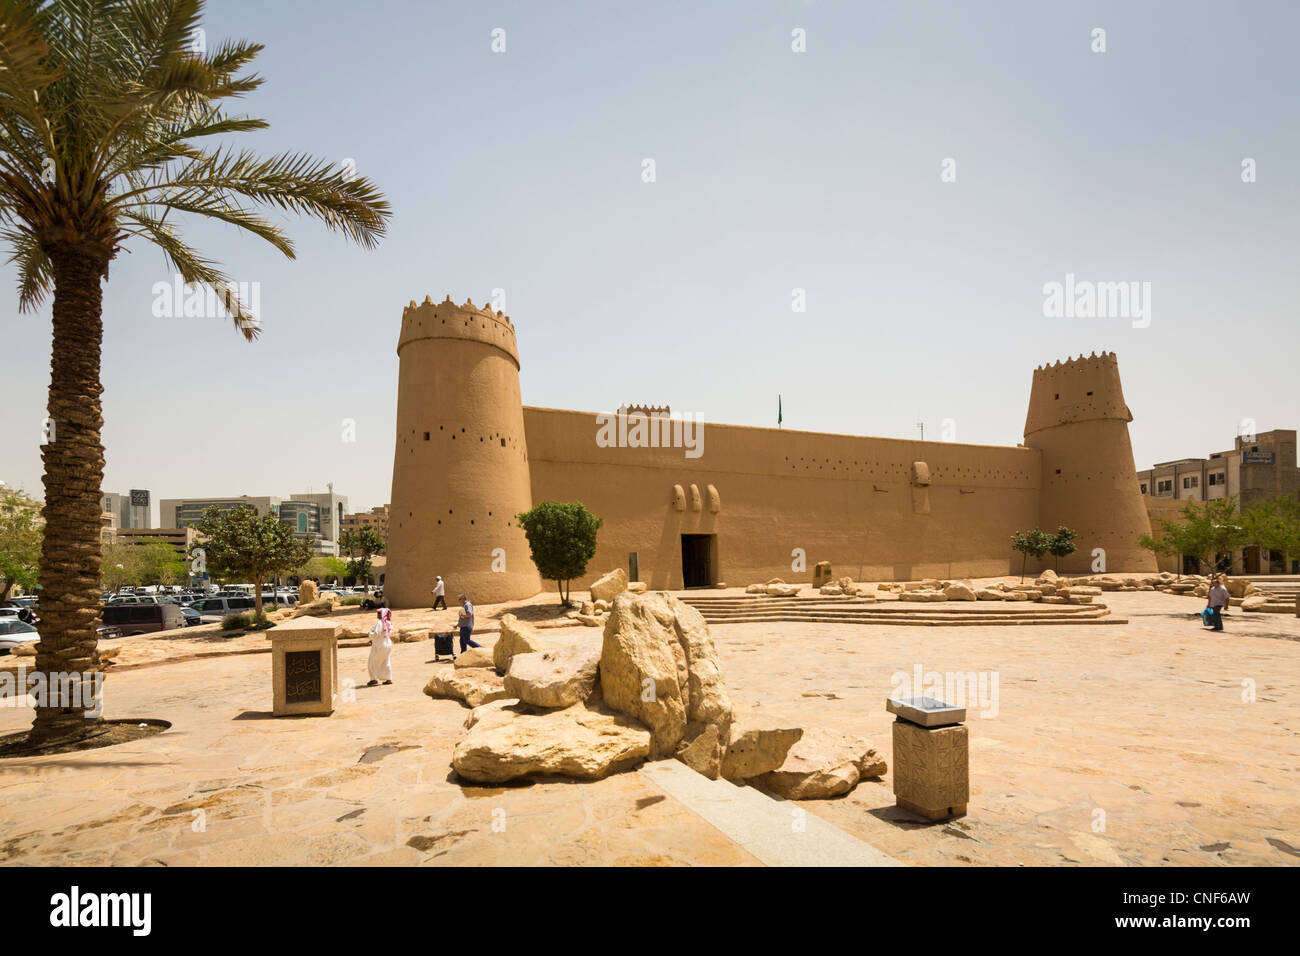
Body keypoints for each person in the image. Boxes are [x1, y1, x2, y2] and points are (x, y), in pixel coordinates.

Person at [367, 607, 393, 686]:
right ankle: (388, 678)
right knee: (386, 661)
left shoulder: (380, 622)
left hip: (380, 644)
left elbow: (376, 633)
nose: (377, 615)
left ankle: (373, 679)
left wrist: (369, 634)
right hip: (387, 644)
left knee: (372, 662)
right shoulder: (388, 623)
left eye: (379, 613)